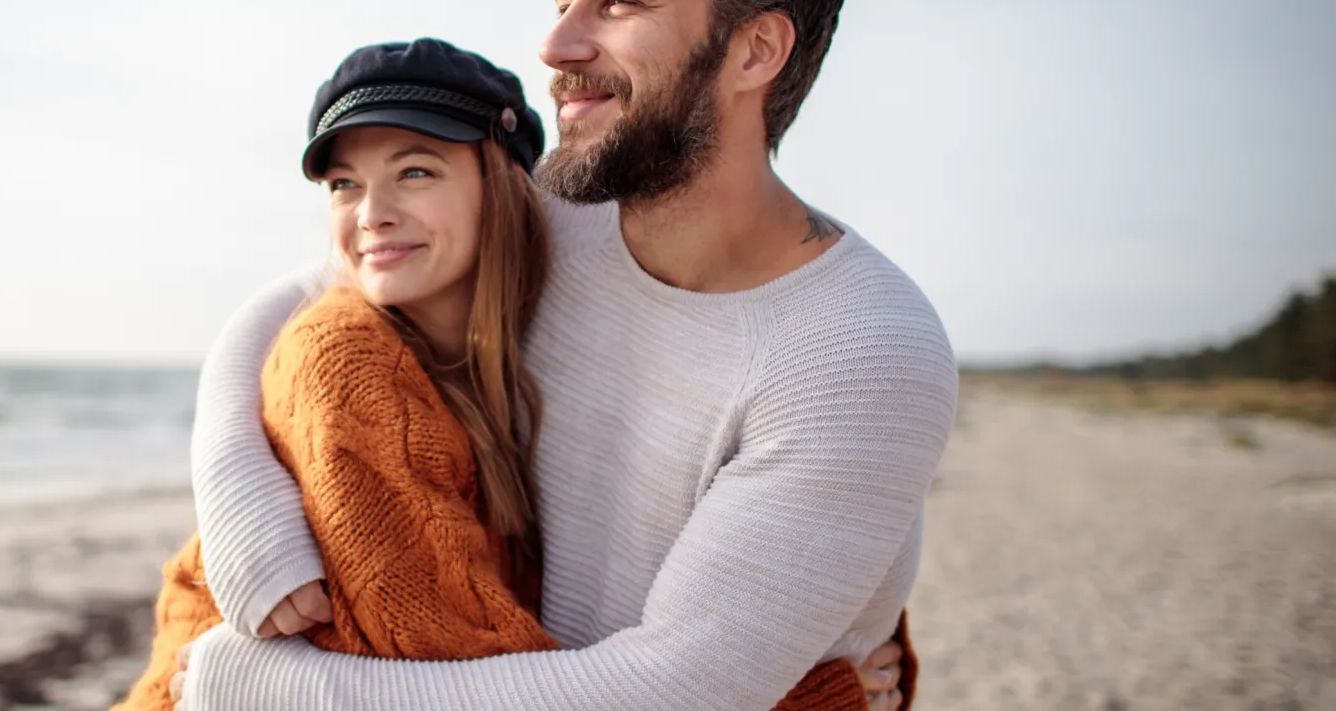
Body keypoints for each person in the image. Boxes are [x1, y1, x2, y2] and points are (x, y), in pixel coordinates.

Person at [178, 0, 956, 708]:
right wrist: (238, 494)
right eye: (563, 1)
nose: (556, 45)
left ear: (755, 49)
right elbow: (296, 297)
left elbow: (669, 692)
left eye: (618, 2)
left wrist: (263, 687)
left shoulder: (859, 351)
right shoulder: (562, 212)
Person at [114, 38, 907, 711]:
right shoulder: (348, 364)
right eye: (343, 185)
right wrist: (805, 695)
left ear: (504, 186)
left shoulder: (511, 330)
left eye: (415, 171)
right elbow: (453, 672)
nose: (371, 213)